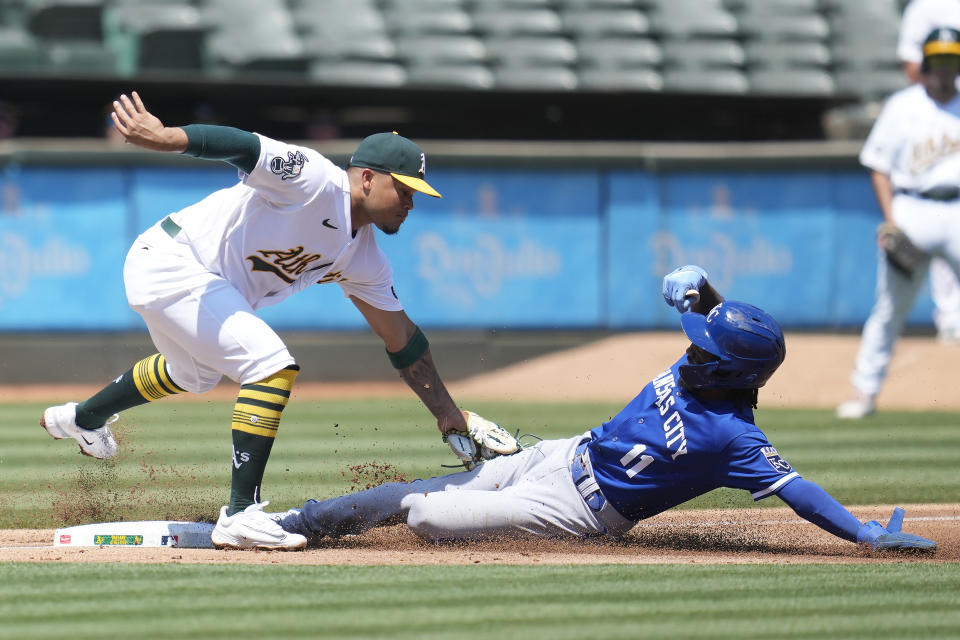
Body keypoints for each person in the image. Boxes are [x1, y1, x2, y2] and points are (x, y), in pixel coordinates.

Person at [39, 91, 508, 550]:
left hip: (197, 282)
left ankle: (81, 418)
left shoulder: (363, 257)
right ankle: (240, 514)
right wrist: (169, 137)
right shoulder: (313, 179)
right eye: (404, 190)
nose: (410, 203)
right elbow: (243, 145)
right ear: (367, 178)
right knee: (269, 365)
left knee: (194, 373)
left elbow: (401, 339)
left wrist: (450, 415)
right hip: (173, 260)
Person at [271, 265, 936, 553]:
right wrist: (701, 287)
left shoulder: (735, 437)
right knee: (408, 492)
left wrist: (866, 535)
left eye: (707, 347)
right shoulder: (705, 364)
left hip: (575, 512)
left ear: (735, 370)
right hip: (562, 452)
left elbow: (801, 492)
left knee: (425, 515)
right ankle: (295, 524)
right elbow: (712, 314)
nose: (693, 346)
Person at [837, 27, 960, 419]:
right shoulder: (903, 105)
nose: (945, 66)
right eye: (939, 58)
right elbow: (878, 166)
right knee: (890, 309)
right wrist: (890, 219)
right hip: (912, 208)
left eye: (951, 58)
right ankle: (865, 393)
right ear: (926, 62)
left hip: (957, 208)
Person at [898, 0, 960, 343]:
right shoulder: (924, 7)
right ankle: (864, 392)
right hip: (932, 115)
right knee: (890, 308)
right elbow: (911, 66)